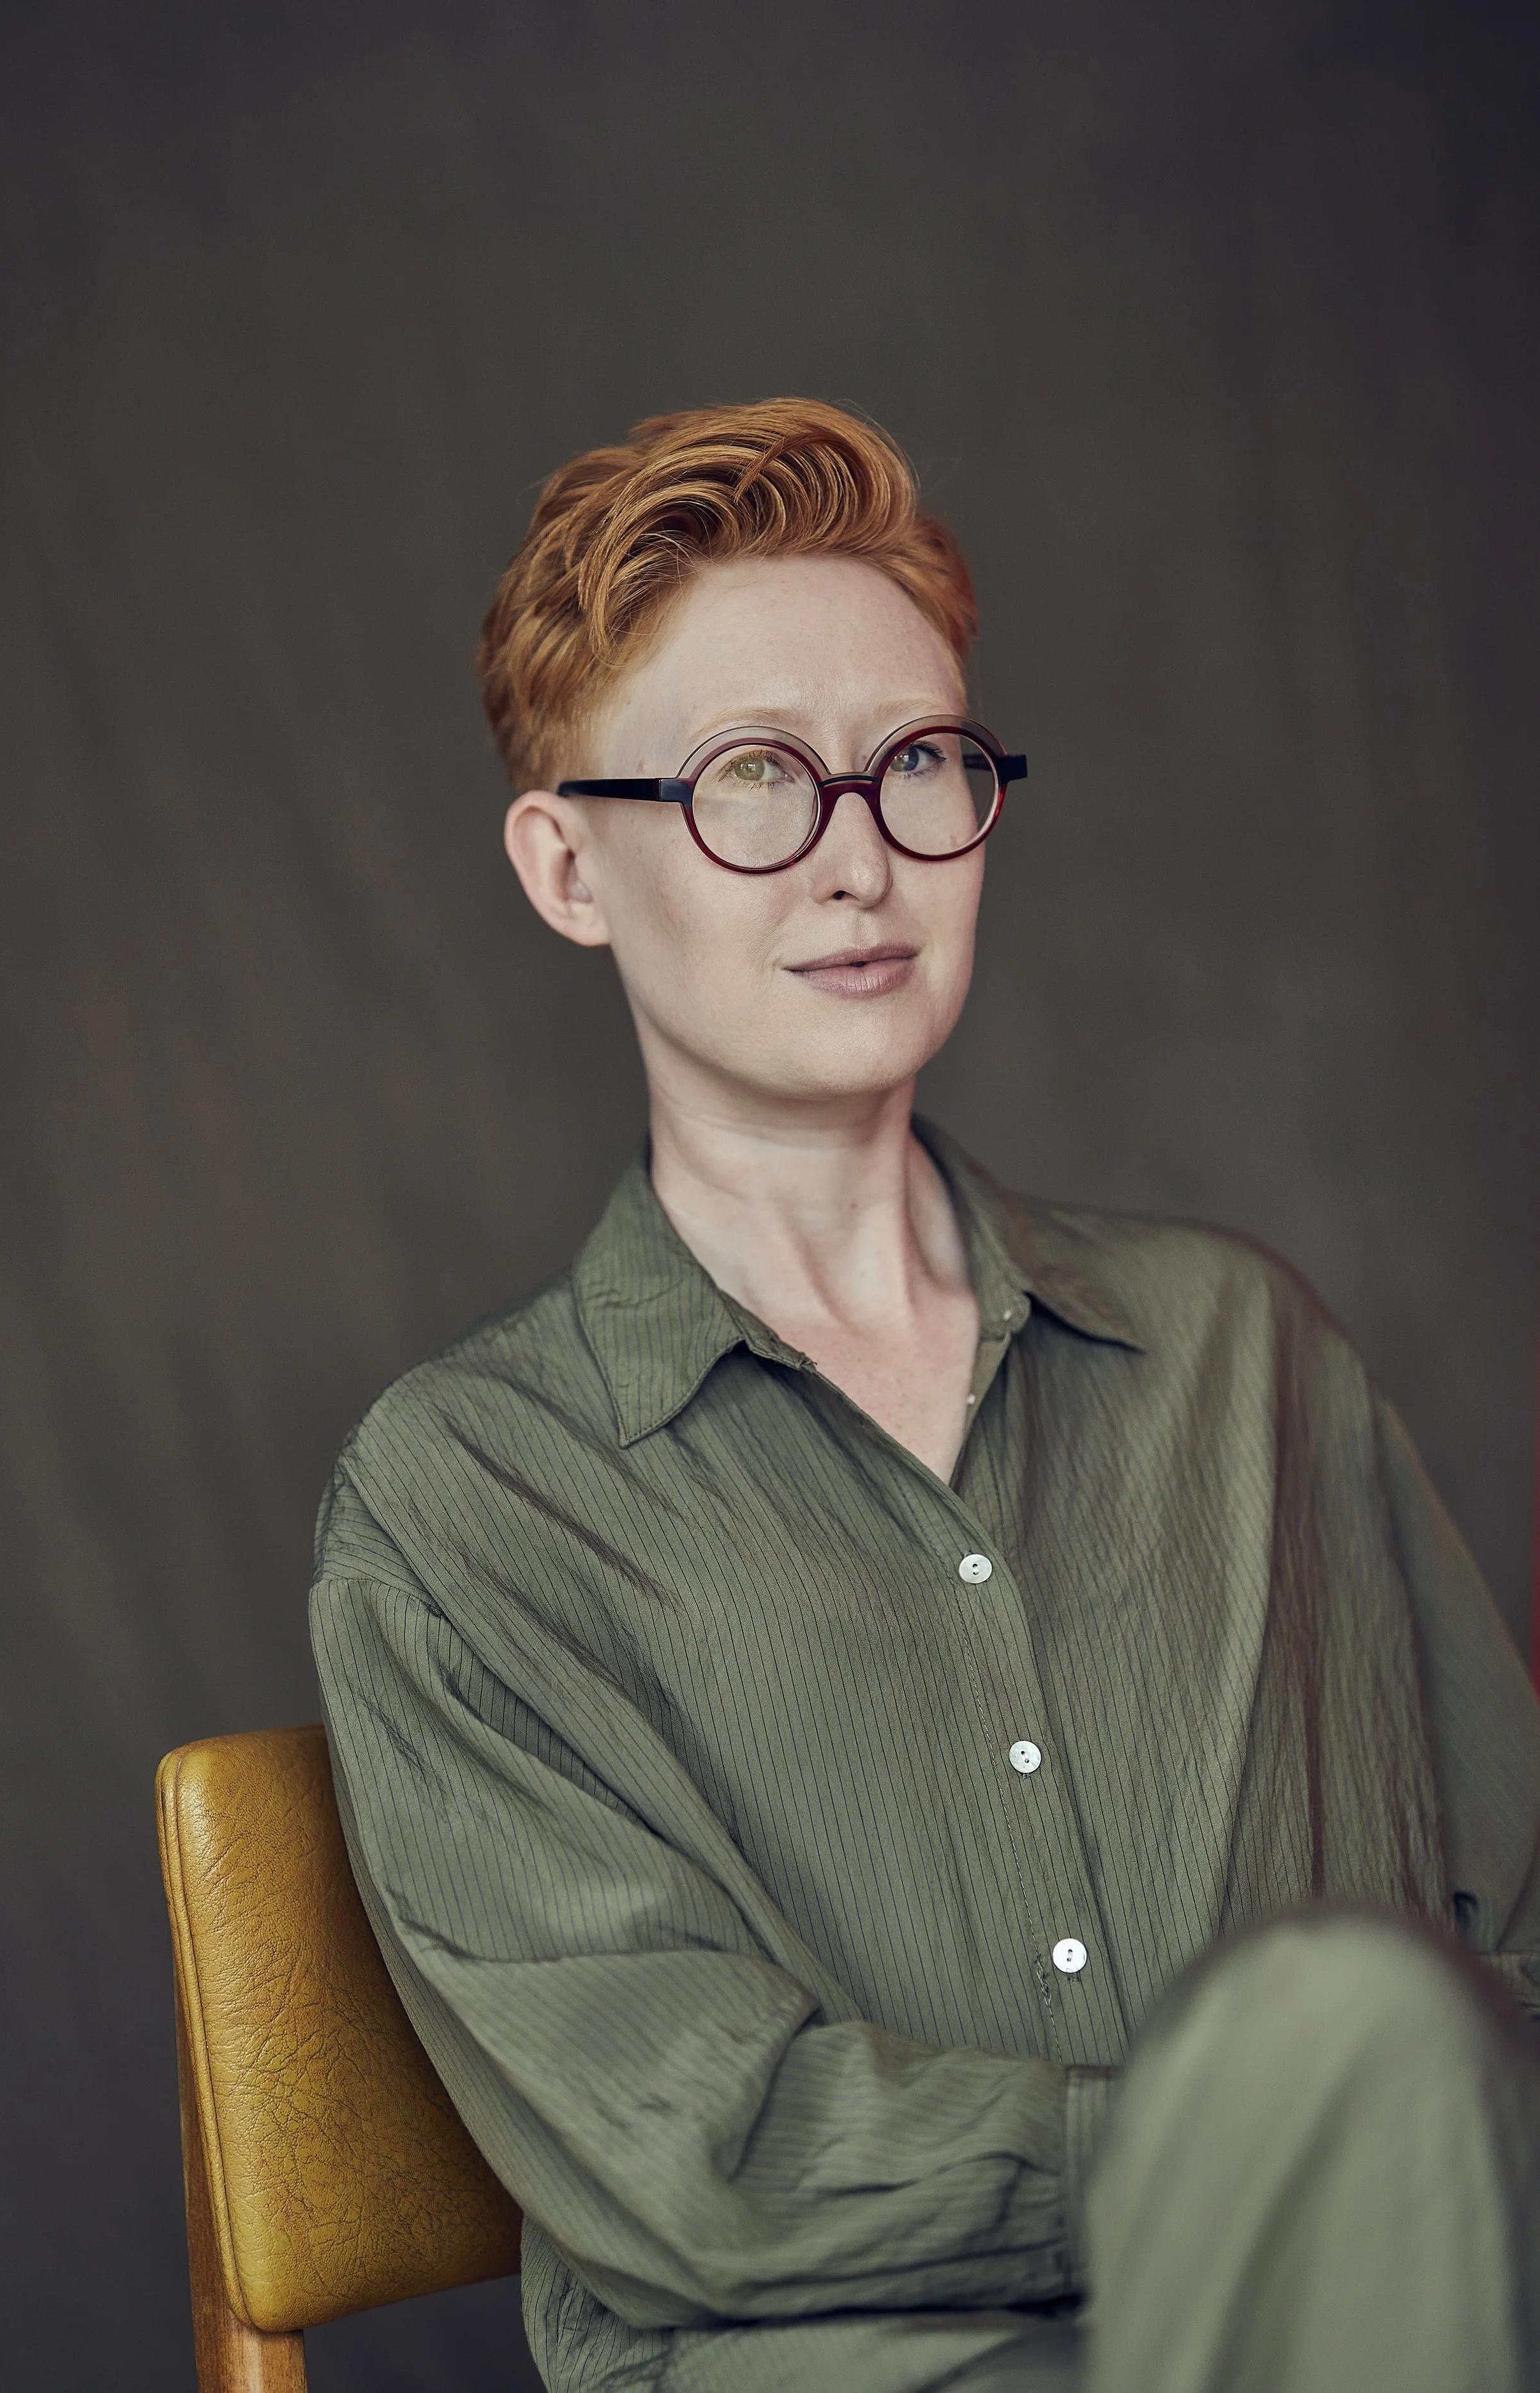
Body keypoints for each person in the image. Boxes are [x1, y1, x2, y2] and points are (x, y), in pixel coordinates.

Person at [310, 399, 1540, 2393]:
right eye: (752, 783)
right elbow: (700, 2161)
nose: (862, 856)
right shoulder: (465, 1502)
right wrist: (1275, 2148)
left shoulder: (1246, 1358)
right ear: (568, 869)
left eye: (919, 766)